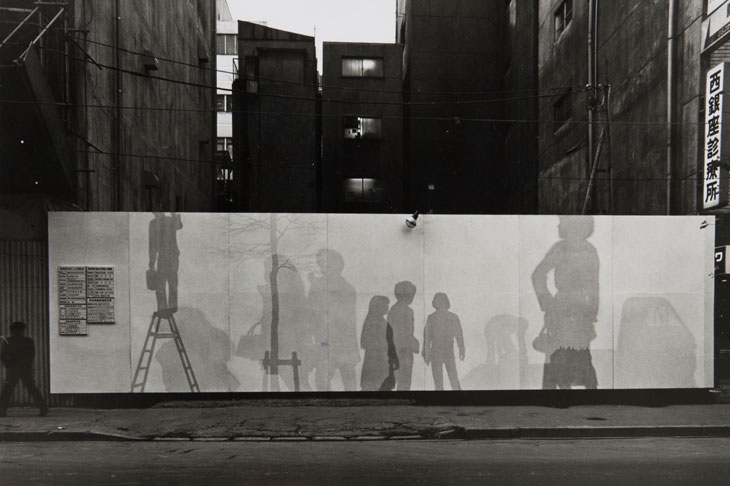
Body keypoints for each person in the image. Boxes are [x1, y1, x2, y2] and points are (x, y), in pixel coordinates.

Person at [531, 216, 599, 389]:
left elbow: (594, 284)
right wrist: (547, 302)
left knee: (571, 357)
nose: (558, 225)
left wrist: (591, 312)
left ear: (572, 226)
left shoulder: (572, 249)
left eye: (562, 221)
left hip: (575, 312)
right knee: (562, 356)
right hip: (568, 311)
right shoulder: (573, 249)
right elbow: (538, 275)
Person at [308, 249, 360, 391]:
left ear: (337, 265)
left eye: (326, 265)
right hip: (329, 342)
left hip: (336, 342)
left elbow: (322, 311)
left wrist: (315, 285)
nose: (322, 269)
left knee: (342, 379)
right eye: (320, 265)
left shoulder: (345, 288)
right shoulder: (346, 287)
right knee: (327, 380)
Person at [0, 322, 48, 417]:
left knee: (7, 390)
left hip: (14, 369)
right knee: (32, 388)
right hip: (25, 368)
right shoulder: (28, 341)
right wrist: (26, 365)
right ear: (22, 330)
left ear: (12, 331)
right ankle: (43, 408)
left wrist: (9, 366)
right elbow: (31, 355)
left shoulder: (7, 341)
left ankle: (2, 411)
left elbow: (3, 356)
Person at [423, 293, 465, 391]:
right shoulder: (452, 317)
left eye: (436, 300)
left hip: (439, 351)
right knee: (452, 378)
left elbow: (427, 337)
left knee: (441, 381)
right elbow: (427, 337)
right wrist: (461, 349)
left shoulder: (432, 317)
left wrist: (426, 352)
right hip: (444, 351)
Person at [360, 295, 398, 391]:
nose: (387, 307)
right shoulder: (374, 322)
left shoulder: (379, 321)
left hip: (381, 359)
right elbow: (367, 342)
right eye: (384, 305)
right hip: (376, 360)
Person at [148, 212, 182, 315]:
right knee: (160, 284)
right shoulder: (153, 223)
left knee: (172, 283)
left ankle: (172, 307)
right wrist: (151, 262)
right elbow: (152, 244)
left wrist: (174, 213)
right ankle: (162, 309)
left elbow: (179, 225)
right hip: (162, 257)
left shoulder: (169, 220)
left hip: (172, 256)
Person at [388, 281, 419, 391]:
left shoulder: (393, 310)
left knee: (394, 379)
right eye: (412, 294)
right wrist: (414, 343)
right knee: (404, 382)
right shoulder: (407, 311)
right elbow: (406, 332)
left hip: (395, 349)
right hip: (404, 350)